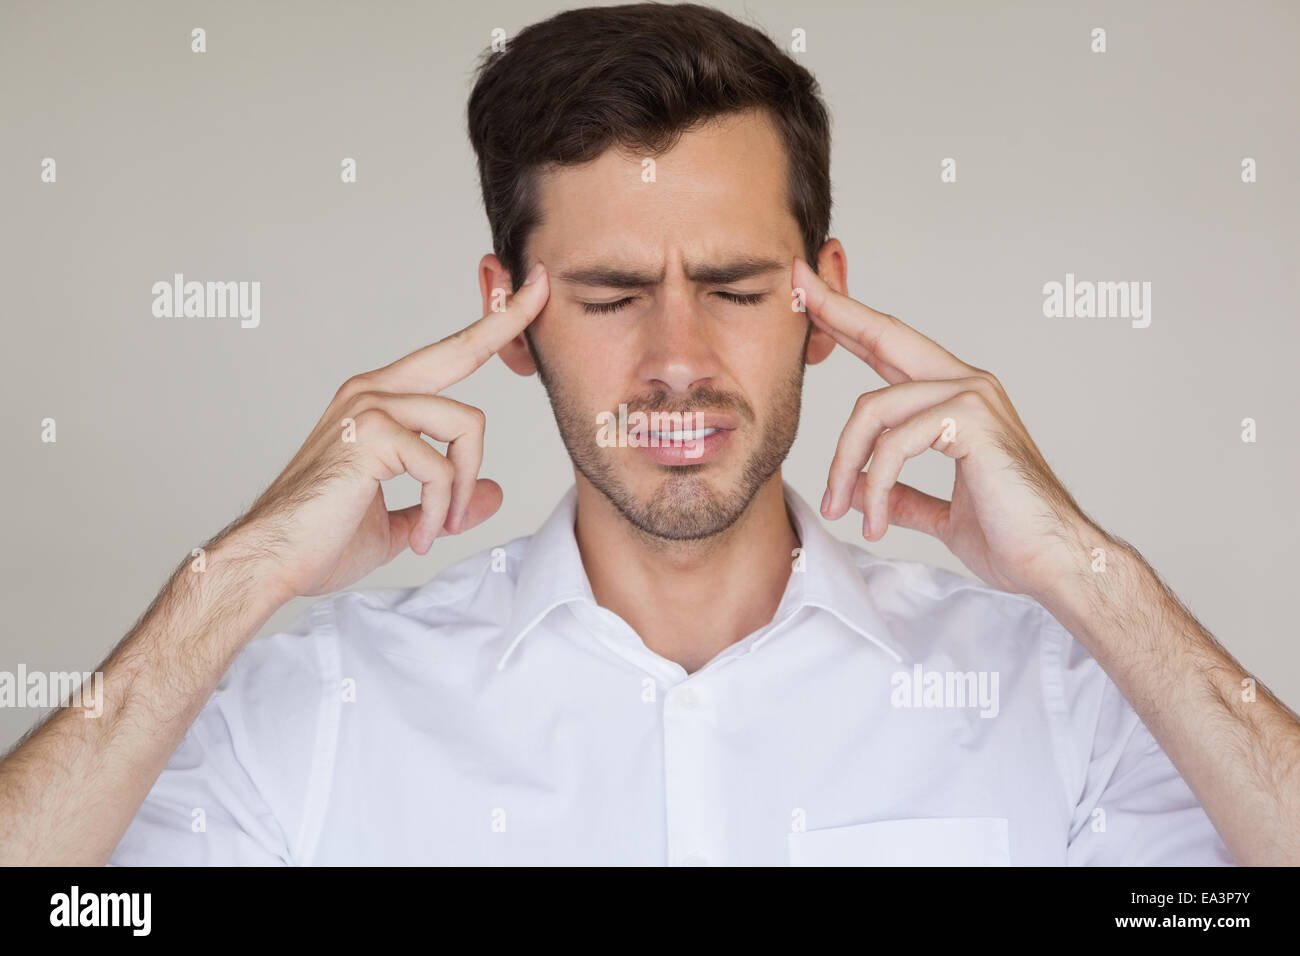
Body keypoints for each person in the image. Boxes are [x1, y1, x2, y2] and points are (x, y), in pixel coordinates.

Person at [2, 2, 1296, 866]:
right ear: (509, 322)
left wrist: (1091, 574)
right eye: (613, 298)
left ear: (823, 302)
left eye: (734, 289)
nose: (677, 361)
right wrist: (236, 578)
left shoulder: (1056, 701)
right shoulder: (324, 710)